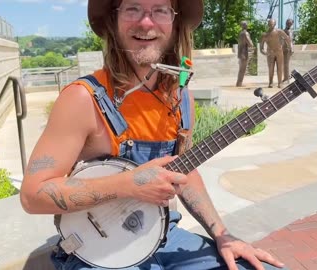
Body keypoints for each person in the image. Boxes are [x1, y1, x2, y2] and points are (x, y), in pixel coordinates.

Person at [20, 0, 287, 269]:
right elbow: (33, 195)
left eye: (159, 10)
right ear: (114, 21)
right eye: (132, 8)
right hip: (98, 250)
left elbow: (184, 170)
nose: (146, 22)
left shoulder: (181, 99)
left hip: (164, 236)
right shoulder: (82, 98)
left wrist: (222, 234)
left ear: (174, 23)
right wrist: (128, 184)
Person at [259, 19, 292, 88]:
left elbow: (287, 39)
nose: (271, 25)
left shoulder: (279, 31)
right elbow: (261, 48)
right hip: (270, 53)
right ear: (268, 24)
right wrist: (264, 53)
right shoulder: (264, 35)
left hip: (279, 52)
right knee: (271, 68)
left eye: (272, 24)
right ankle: (271, 82)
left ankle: (279, 83)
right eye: (270, 24)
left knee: (279, 68)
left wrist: (290, 48)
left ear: (275, 24)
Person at [236, 21, 254, 87]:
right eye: (246, 24)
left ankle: (239, 83)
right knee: (242, 69)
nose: (247, 25)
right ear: (244, 26)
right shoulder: (245, 33)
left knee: (241, 69)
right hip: (244, 53)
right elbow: (250, 44)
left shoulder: (240, 33)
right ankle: (239, 83)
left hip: (240, 53)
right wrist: (252, 43)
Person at [282, 19, 294, 83]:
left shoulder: (289, 31)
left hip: (287, 49)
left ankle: (287, 78)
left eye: (289, 23)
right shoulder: (285, 30)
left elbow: (290, 40)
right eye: (287, 23)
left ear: (291, 24)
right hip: (284, 49)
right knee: (285, 64)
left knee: (286, 64)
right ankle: (286, 77)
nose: (288, 24)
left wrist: (291, 49)